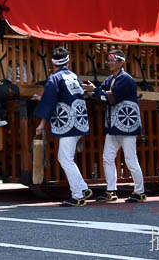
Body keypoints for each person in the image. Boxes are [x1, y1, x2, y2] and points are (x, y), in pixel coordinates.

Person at [34, 47, 95, 207]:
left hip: (67, 123)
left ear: (53, 63)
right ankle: (83, 188)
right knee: (66, 158)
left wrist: (41, 124)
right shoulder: (74, 76)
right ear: (68, 61)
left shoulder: (55, 78)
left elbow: (50, 101)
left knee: (65, 159)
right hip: (79, 120)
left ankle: (77, 195)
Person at [93, 49, 146, 203]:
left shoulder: (126, 79)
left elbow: (112, 97)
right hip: (114, 124)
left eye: (113, 60)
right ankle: (111, 190)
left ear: (121, 62)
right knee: (107, 157)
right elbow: (102, 92)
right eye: (108, 61)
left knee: (130, 159)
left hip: (126, 125)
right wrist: (95, 91)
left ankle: (140, 192)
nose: (109, 63)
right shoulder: (111, 78)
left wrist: (95, 91)